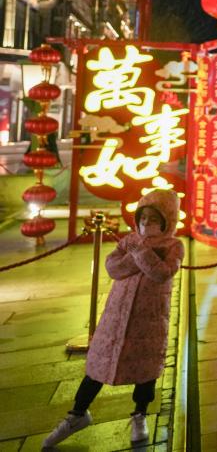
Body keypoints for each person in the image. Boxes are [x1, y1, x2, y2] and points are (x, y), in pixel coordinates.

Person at [44, 190, 184, 448]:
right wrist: (140, 253)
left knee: (146, 369)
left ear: (167, 220)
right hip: (115, 317)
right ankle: (77, 414)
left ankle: (140, 415)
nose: (147, 223)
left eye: (154, 219)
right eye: (143, 217)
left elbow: (161, 273)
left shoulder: (174, 246)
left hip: (150, 321)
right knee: (98, 363)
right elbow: (113, 268)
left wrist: (140, 252)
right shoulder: (130, 240)